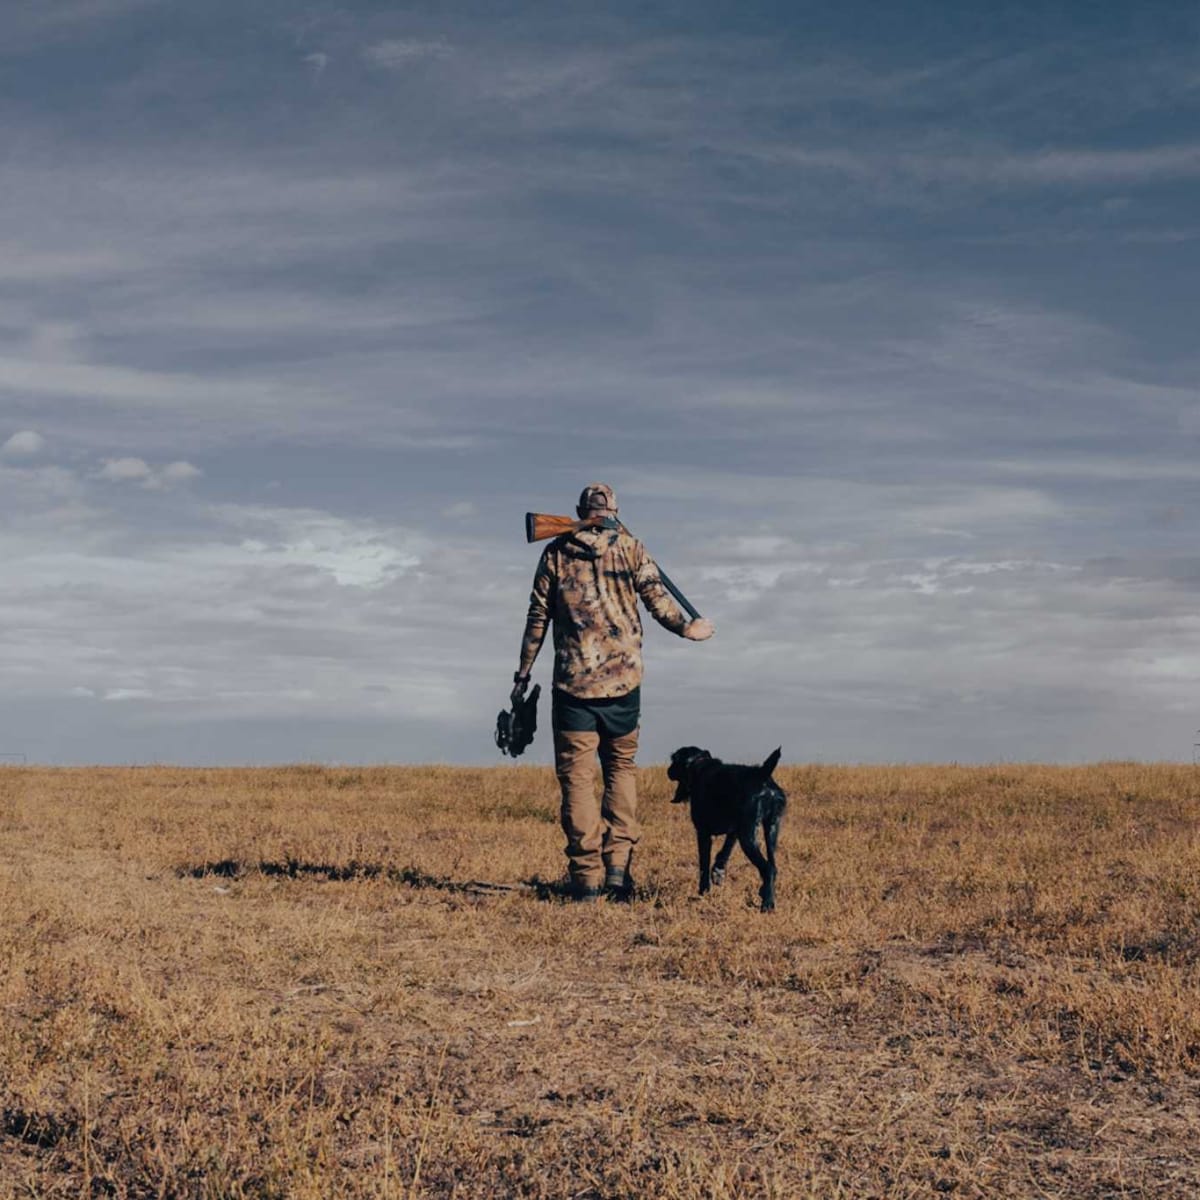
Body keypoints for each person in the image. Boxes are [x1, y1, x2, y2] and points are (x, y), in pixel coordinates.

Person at [512, 482, 714, 901]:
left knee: (578, 782)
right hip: (625, 684)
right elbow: (659, 602)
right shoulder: (632, 548)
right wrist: (688, 629)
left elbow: (537, 619)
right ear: (614, 510)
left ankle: (586, 879)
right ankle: (618, 871)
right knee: (621, 771)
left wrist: (523, 674)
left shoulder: (555, 553)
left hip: (572, 687)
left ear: (577, 510)